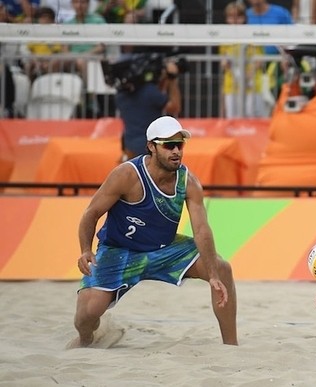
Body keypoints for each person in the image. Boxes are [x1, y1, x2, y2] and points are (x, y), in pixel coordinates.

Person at [68, 115, 238, 348]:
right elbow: (91, 213)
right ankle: (87, 339)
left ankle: (231, 346)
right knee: (87, 314)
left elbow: (201, 230)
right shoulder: (127, 175)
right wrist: (85, 249)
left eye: (180, 145)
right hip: (120, 250)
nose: (176, 151)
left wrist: (213, 275)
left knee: (222, 269)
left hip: (164, 248)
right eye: (169, 145)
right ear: (151, 147)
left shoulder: (188, 182)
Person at [114, 54, 182, 160]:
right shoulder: (149, 92)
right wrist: (172, 78)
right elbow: (174, 107)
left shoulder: (120, 95)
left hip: (129, 147)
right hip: (150, 149)